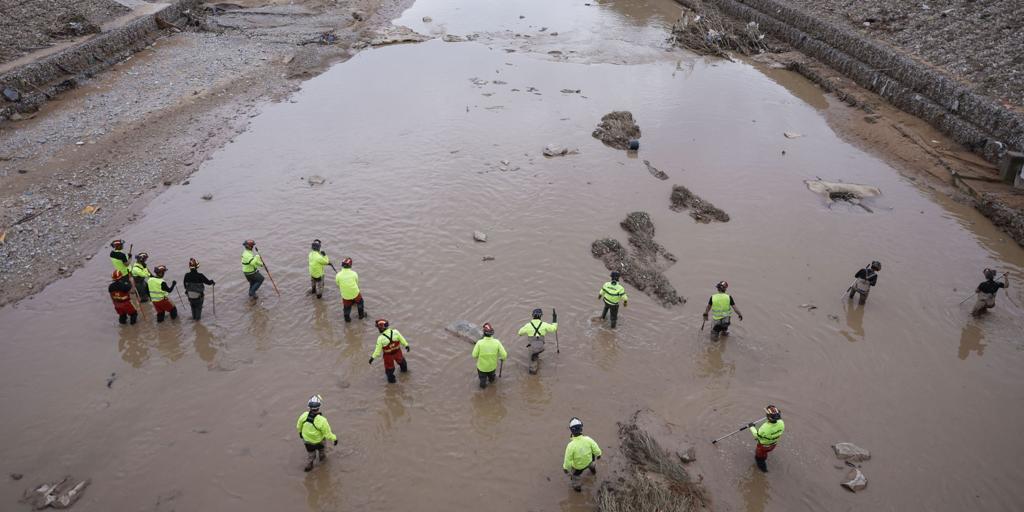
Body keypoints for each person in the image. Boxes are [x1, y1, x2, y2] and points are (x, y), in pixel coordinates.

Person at [296, 394, 337, 472]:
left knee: (310, 454)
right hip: (319, 441)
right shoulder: (322, 420)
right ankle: (322, 462)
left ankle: (309, 465)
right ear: (319, 407)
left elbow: (298, 426)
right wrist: (335, 439)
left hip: (307, 441)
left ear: (309, 407)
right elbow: (327, 434)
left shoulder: (303, 416)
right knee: (322, 452)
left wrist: (300, 433)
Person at [563, 417, 602, 492]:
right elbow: (596, 448)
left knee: (575, 477)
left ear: (571, 431)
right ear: (581, 428)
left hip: (578, 467)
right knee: (592, 466)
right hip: (590, 461)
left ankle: (577, 488)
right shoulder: (588, 439)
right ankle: (593, 472)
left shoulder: (570, 446)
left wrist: (565, 468)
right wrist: (599, 454)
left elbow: (568, 460)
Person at [517, 308, 558, 374]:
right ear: (541, 316)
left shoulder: (528, 325)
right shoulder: (544, 324)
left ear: (532, 316)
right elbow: (554, 328)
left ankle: (533, 375)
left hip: (532, 348)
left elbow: (519, 333)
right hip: (541, 347)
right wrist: (554, 319)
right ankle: (536, 356)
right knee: (537, 352)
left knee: (532, 363)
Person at [368, 319, 410, 384]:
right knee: (402, 363)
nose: (378, 329)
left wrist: (372, 358)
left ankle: (392, 383)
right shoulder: (395, 332)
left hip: (388, 356)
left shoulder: (380, 338)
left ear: (381, 328)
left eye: (378, 328)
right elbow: (402, 339)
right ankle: (405, 373)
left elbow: (377, 351)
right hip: (397, 352)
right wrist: (406, 345)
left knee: (389, 370)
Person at [749, 405, 785, 473]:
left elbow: (757, 436)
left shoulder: (765, 428)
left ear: (769, 417)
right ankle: (764, 457)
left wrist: (751, 427)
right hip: (773, 445)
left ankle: (764, 470)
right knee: (764, 454)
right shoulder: (782, 423)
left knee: (759, 458)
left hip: (763, 446)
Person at [472, 323, 507, 389]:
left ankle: (483, 392)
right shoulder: (497, 342)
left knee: (482, 381)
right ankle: (492, 388)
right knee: (492, 379)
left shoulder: (479, 343)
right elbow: (504, 355)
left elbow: (474, 355)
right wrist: (502, 358)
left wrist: (480, 357)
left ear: (484, 333)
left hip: (482, 368)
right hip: (492, 367)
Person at [335, 258, 365, 322]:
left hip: (345, 296)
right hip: (355, 293)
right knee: (360, 303)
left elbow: (338, 284)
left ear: (342, 265)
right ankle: (361, 316)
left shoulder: (338, 275)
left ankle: (347, 320)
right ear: (350, 265)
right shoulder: (354, 273)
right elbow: (356, 282)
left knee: (346, 308)